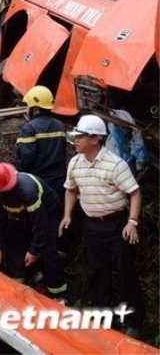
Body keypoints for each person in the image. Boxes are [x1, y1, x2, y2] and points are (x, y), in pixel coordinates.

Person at [59, 115, 144, 336]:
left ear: (95, 139)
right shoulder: (75, 163)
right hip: (92, 226)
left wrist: (132, 222)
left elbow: (134, 193)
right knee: (97, 271)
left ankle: (133, 321)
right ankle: (102, 319)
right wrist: (67, 215)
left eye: (80, 136)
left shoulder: (115, 165)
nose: (76, 140)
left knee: (125, 271)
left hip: (117, 225)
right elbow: (71, 189)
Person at [0, 162, 68, 302]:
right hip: (25, 216)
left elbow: (40, 224)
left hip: (48, 214)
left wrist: (34, 250)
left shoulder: (27, 191)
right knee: (15, 241)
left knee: (47, 248)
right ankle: (21, 280)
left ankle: (58, 293)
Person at [16, 86, 67, 198]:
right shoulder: (60, 126)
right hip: (60, 181)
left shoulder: (29, 128)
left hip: (39, 182)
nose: (26, 108)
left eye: (28, 105)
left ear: (35, 108)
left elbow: (26, 159)